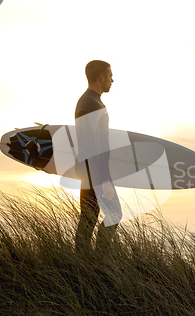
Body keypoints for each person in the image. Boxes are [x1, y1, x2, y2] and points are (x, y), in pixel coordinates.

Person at [74, 60, 122, 252]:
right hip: (94, 172)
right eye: (110, 76)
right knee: (113, 214)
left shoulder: (90, 100)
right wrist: (103, 180)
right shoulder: (91, 103)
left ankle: (84, 263)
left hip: (89, 171)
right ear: (101, 77)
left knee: (88, 219)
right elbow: (93, 145)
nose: (113, 80)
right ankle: (99, 261)